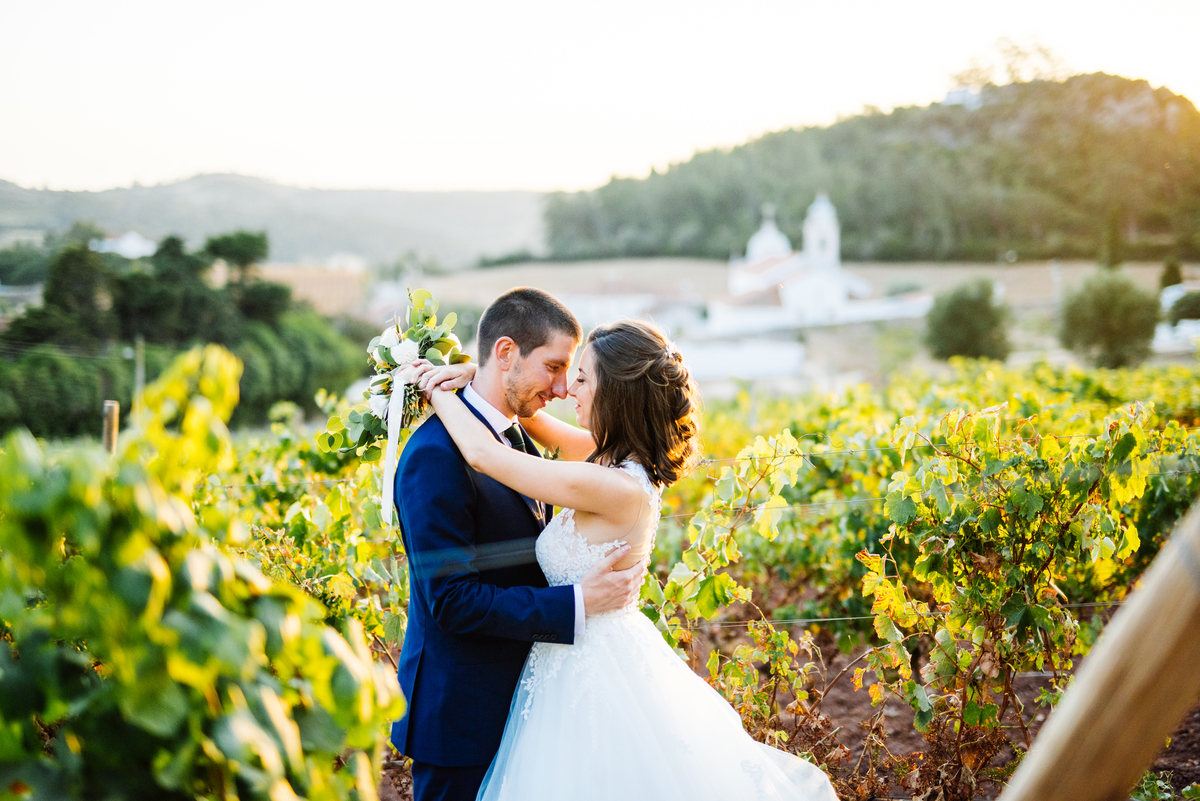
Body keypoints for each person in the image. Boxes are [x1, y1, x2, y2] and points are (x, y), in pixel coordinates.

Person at [410, 318, 839, 801]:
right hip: (574, 653)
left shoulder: (611, 485)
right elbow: (529, 419)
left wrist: (434, 390)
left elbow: (484, 455)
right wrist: (480, 375)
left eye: (582, 378)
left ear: (616, 394)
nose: (568, 389)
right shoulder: (614, 457)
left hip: (592, 667)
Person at [390, 287, 648, 801]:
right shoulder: (435, 456)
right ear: (506, 352)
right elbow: (452, 601)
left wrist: (468, 376)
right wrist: (577, 603)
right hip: (463, 720)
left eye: (572, 374)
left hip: (532, 709)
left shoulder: (517, 437)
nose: (562, 389)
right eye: (554, 368)